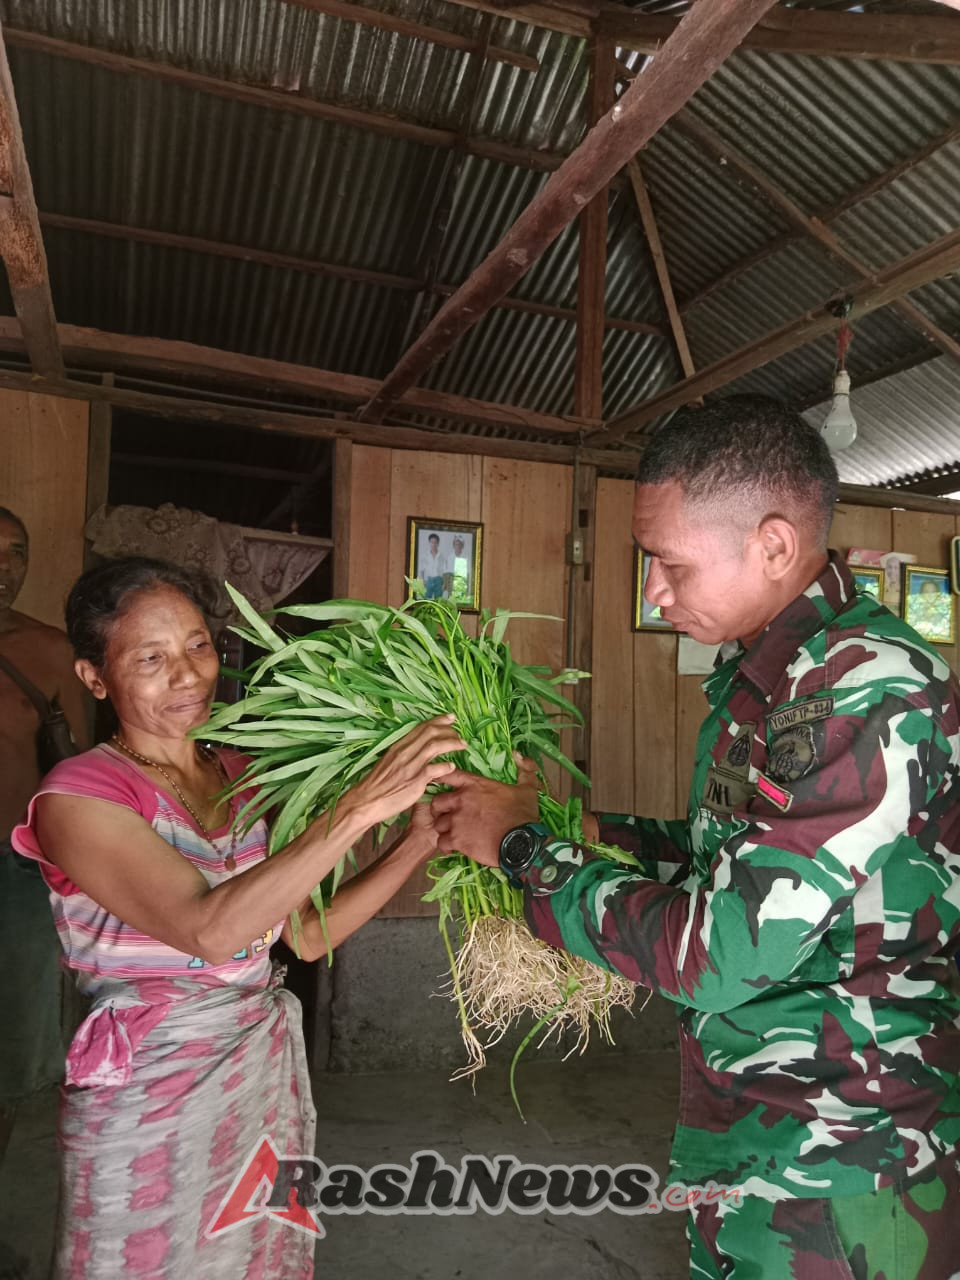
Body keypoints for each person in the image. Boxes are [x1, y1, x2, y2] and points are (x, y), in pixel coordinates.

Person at [431, 397, 960, 1278]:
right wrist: (607, 836)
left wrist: (526, 850)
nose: (658, 592)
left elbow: (722, 952)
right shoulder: (776, 676)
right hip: (762, 1135)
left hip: (846, 1167)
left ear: (776, 545)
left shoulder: (862, 688)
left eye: (669, 565)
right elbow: (741, 855)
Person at [11, 556, 465, 1278]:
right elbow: (210, 929)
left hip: (254, 1071)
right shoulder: (79, 796)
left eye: (197, 646)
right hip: (145, 1089)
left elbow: (306, 934)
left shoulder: (243, 772)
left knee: (250, 1258)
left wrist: (414, 841)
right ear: (96, 678)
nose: (188, 674)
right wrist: (356, 811)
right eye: (150, 658)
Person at [0, 507, 89, 1160]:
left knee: (9, 1050)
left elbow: (80, 775)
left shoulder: (48, 650)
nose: (6, 566)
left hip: (13, 874)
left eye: (18, 552)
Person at [419, 532, 447, 600]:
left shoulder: (442, 556)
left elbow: (445, 571)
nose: (433, 544)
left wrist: (444, 583)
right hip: (429, 580)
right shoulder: (425, 555)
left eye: (435, 542)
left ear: (438, 543)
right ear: (429, 543)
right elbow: (421, 570)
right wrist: (423, 581)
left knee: (438, 600)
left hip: (438, 580)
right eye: (432, 542)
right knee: (426, 599)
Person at [446, 535, 470, 604]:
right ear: (453, 545)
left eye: (459, 544)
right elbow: (448, 574)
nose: (458, 546)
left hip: (462, 584)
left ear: (462, 546)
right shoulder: (450, 557)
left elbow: (467, 574)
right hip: (452, 584)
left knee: (461, 603)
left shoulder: (466, 557)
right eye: (456, 544)